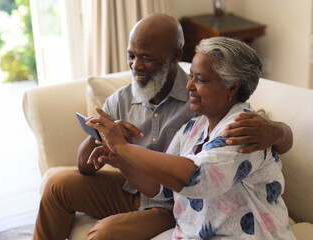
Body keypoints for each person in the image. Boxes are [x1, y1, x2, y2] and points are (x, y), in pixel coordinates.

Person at [33, 13, 293, 240]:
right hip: (172, 210)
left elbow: (193, 177)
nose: (190, 85)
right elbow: (160, 186)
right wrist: (117, 154)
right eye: (191, 76)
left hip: (220, 225)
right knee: (58, 184)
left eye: (199, 79)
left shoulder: (241, 127)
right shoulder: (194, 127)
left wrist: (122, 146)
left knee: (105, 234)